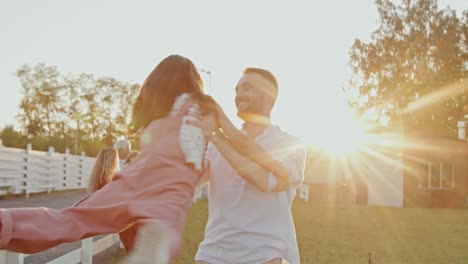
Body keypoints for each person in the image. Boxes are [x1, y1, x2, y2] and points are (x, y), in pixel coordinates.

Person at [0, 55, 216, 264]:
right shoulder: (197, 109)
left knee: (71, 219)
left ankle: (5, 223)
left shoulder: (155, 117)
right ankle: (154, 243)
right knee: (165, 218)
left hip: (133, 179)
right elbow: (203, 157)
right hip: (167, 189)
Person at [190, 68, 306, 264]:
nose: (238, 95)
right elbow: (189, 179)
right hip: (213, 255)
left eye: (247, 88)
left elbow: (264, 180)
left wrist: (217, 134)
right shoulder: (217, 144)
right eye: (236, 90)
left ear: (270, 97)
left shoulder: (291, 144)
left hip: (266, 255)